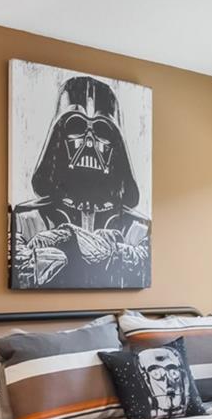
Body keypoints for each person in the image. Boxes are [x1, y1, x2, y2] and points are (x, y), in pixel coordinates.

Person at [10, 75, 151, 288]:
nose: (89, 142)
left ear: (116, 145)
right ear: (58, 138)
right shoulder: (26, 219)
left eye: (102, 131)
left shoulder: (138, 227)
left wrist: (76, 238)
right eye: (76, 126)